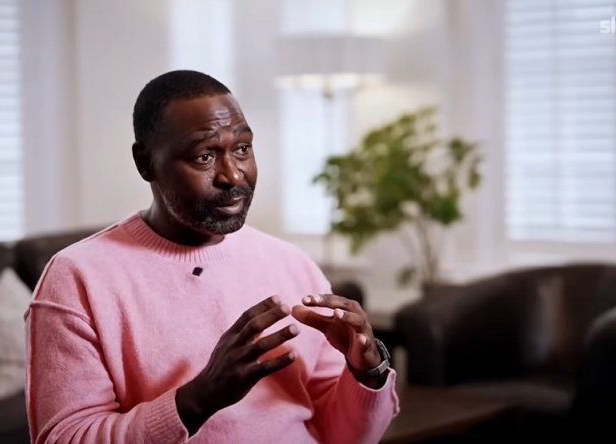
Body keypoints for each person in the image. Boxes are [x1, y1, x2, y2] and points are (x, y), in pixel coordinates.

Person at [25, 70, 399, 444]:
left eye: (242, 149)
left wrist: (367, 372)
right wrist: (199, 399)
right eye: (204, 156)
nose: (233, 175)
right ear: (146, 162)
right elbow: (64, 438)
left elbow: (342, 437)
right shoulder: (77, 278)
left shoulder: (294, 265)